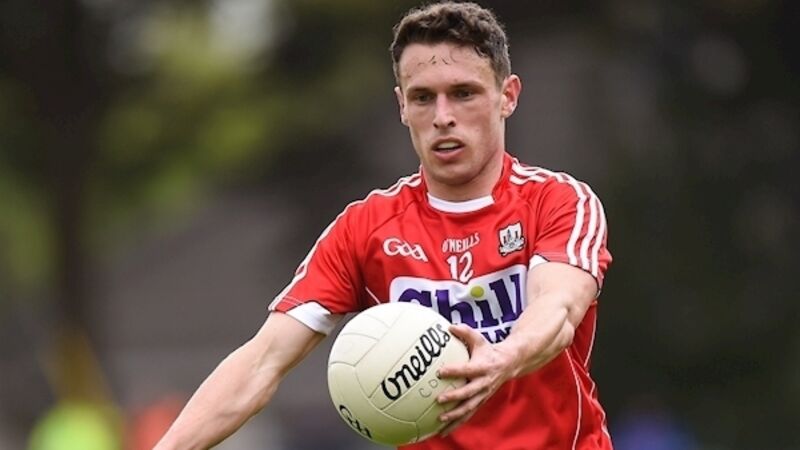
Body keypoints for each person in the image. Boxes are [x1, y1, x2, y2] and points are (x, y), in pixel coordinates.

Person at [155, 2, 613, 449]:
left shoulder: (558, 202)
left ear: (507, 96)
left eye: (463, 93)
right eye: (423, 97)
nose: (443, 117)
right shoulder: (365, 229)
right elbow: (262, 361)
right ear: (401, 105)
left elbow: (558, 311)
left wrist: (502, 357)